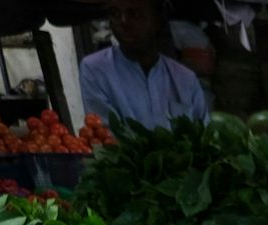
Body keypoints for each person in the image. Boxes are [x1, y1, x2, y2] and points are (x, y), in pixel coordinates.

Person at [79, 0, 208, 130]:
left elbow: (202, 136)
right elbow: (106, 135)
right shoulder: (96, 69)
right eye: (115, 13)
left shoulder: (185, 79)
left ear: (157, 19)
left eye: (134, 13)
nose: (123, 21)